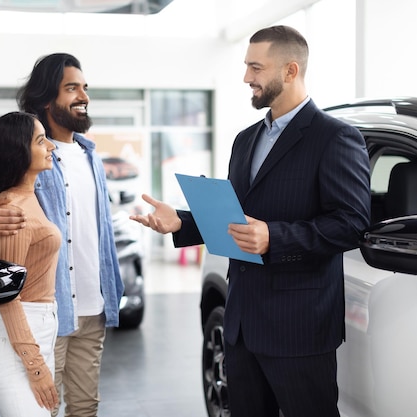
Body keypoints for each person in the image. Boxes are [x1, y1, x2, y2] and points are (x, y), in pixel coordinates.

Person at [130, 25, 371, 417]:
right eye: (246, 66)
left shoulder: (334, 137)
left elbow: (352, 223)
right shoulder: (245, 140)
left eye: (256, 68)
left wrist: (274, 238)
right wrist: (183, 223)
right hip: (242, 326)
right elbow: (236, 219)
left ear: (290, 71)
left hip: (298, 330)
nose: (246, 77)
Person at [0, 53, 124, 417]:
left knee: (85, 408)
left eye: (85, 87)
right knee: (45, 406)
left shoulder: (92, 158)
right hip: (49, 311)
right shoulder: (27, 159)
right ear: (47, 99)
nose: (84, 96)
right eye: (72, 88)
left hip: (93, 308)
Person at [0, 111, 59, 416]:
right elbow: (7, 296)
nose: (50, 146)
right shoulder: (12, 211)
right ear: (18, 152)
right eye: (41, 141)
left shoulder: (30, 197)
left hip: (38, 331)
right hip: (17, 339)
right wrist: (36, 367)